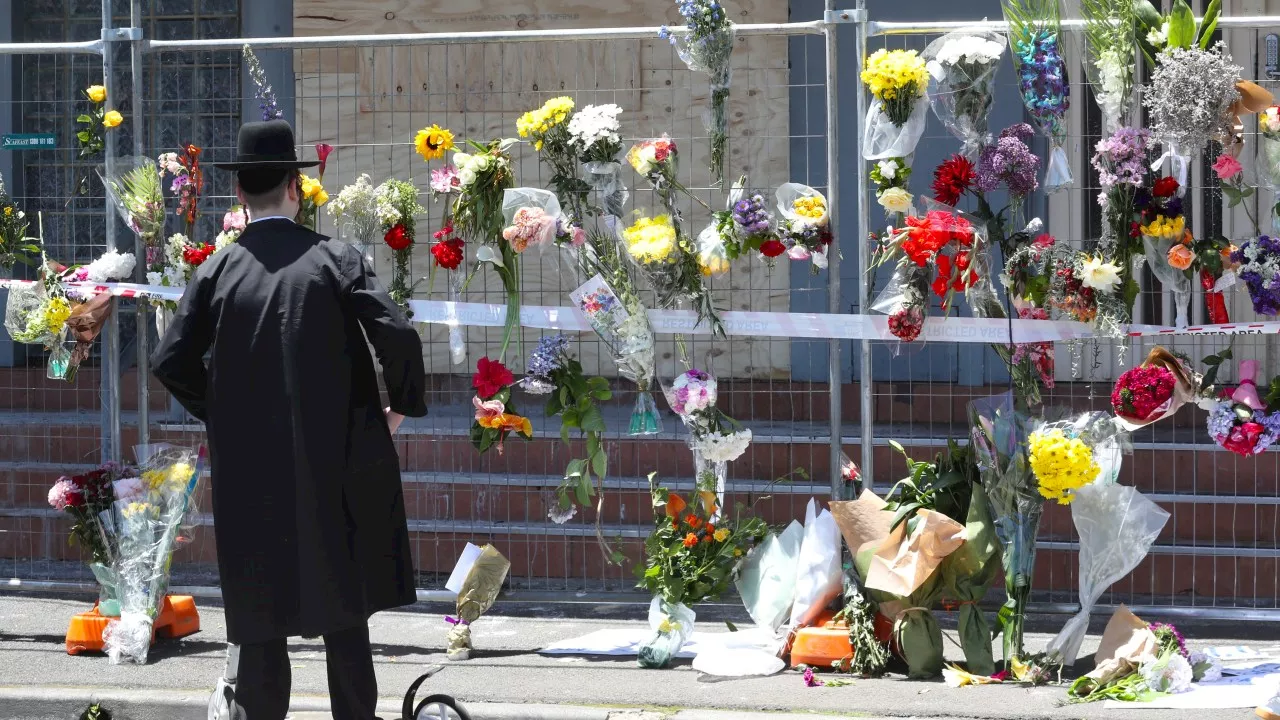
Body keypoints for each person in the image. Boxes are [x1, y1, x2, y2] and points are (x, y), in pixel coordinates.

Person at [151, 119, 427, 720]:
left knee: (258, 618)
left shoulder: (218, 271)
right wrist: (399, 406)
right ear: (295, 189)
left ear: (240, 195)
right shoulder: (334, 258)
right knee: (345, 615)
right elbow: (398, 335)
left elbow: (168, 359)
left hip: (249, 468)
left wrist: (220, 412)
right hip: (337, 461)